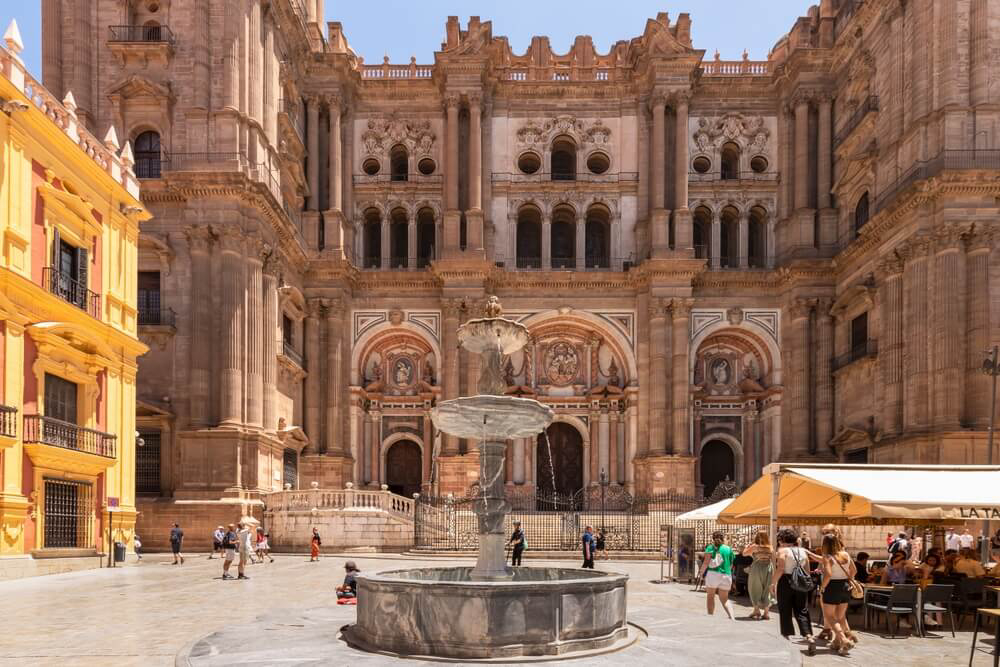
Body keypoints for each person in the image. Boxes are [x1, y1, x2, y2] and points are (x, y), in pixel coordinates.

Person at [771, 528, 815, 655]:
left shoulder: (782, 551)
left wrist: (772, 583)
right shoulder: (803, 551)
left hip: (786, 582)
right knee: (802, 609)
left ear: (781, 540)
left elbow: (781, 568)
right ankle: (808, 636)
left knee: (785, 609)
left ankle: (786, 637)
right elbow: (807, 570)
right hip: (800, 582)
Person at [818, 534, 857, 656]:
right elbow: (854, 570)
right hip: (845, 587)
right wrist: (848, 580)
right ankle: (838, 642)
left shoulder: (827, 557)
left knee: (829, 617)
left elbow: (828, 574)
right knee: (840, 617)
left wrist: (822, 587)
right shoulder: (845, 554)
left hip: (832, 587)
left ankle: (844, 640)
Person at [699, 531, 735, 620]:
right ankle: (732, 617)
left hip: (713, 574)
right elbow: (731, 564)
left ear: (713, 538)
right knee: (725, 599)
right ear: (723, 538)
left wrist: (701, 573)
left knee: (710, 596)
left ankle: (710, 617)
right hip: (726, 575)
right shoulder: (728, 549)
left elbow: (706, 562)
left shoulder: (710, 548)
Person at [742, 531, 774, 620]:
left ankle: (757, 610)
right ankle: (766, 613)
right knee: (767, 589)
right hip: (768, 567)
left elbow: (744, 554)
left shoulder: (755, 547)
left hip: (757, 568)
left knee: (754, 588)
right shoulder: (770, 547)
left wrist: (747, 547)